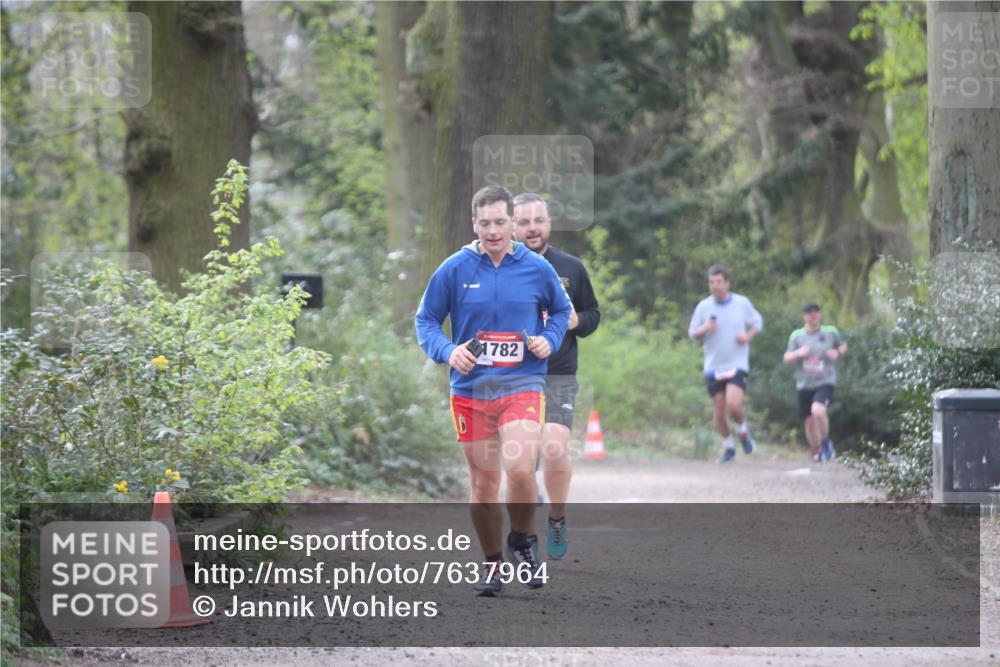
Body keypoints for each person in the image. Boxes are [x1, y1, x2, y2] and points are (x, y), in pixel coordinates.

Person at [415, 185, 572, 596]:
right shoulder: (454, 268)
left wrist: (549, 340)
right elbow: (426, 321)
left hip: (522, 383)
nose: (494, 230)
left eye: (501, 222)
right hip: (470, 389)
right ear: (474, 225)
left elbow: (560, 312)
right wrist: (449, 352)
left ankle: (522, 537)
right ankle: (491, 565)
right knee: (483, 482)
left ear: (512, 224)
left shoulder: (537, 269)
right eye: (485, 223)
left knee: (520, 467)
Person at [513, 192, 600, 560]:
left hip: (558, 374)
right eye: (525, 222)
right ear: (513, 226)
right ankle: (525, 535)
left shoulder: (571, 269)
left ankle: (558, 518)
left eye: (539, 220)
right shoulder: (499, 269)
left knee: (554, 447)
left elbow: (593, 312)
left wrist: (579, 321)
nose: (533, 228)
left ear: (548, 224)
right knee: (520, 459)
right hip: (513, 377)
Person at [688, 265, 764, 463]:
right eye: (712, 282)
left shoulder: (741, 303)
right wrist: (705, 328)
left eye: (719, 282)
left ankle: (743, 432)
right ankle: (729, 447)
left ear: (727, 283)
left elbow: (758, 322)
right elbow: (692, 333)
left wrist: (747, 336)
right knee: (719, 413)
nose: (715, 286)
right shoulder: (704, 306)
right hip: (713, 366)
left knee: (733, 404)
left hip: (736, 363)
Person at [783, 302, 847, 462]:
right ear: (804, 316)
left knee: (818, 410)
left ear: (820, 314)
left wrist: (837, 352)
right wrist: (799, 353)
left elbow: (843, 346)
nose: (812, 315)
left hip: (825, 381)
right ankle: (816, 450)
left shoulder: (830, 332)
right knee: (809, 421)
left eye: (815, 312)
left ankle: (825, 442)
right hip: (804, 384)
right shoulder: (797, 335)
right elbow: (787, 358)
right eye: (809, 313)